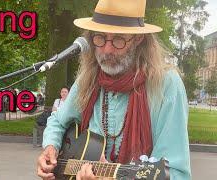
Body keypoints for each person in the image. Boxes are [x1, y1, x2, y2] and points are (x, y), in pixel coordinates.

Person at [37, 0, 191, 180]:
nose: (107, 50)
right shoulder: (89, 78)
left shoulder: (166, 84)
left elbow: (175, 173)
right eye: (100, 38)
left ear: (138, 39)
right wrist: (51, 147)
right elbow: (58, 120)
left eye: (118, 39)